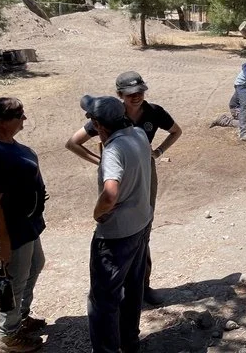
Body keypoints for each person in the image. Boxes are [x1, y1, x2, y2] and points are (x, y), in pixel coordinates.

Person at [65, 71, 181, 305]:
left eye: (140, 92)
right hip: (116, 174)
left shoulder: (154, 112)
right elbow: (72, 143)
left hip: (143, 169)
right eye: (130, 94)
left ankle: (141, 285)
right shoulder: (110, 114)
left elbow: (176, 131)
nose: (136, 96)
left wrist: (158, 152)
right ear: (120, 95)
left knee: (143, 224)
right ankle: (119, 288)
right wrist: (102, 162)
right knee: (117, 224)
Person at [82, 95, 152, 353]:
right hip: (140, 224)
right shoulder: (138, 134)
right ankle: (130, 343)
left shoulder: (113, 150)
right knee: (132, 290)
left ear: (97, 124)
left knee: (103, 300)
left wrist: (97, 213)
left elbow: (110, 192)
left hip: (116, 234)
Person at [0, 98, 47, 353]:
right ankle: (8, 335)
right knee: (14, 281)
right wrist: (4, 245)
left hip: (26, 223)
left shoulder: (3, 142)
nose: (24, 119)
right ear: (1, 123)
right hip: (11, 229)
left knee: (35, 265)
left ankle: (21, 316)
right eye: (19, 115)